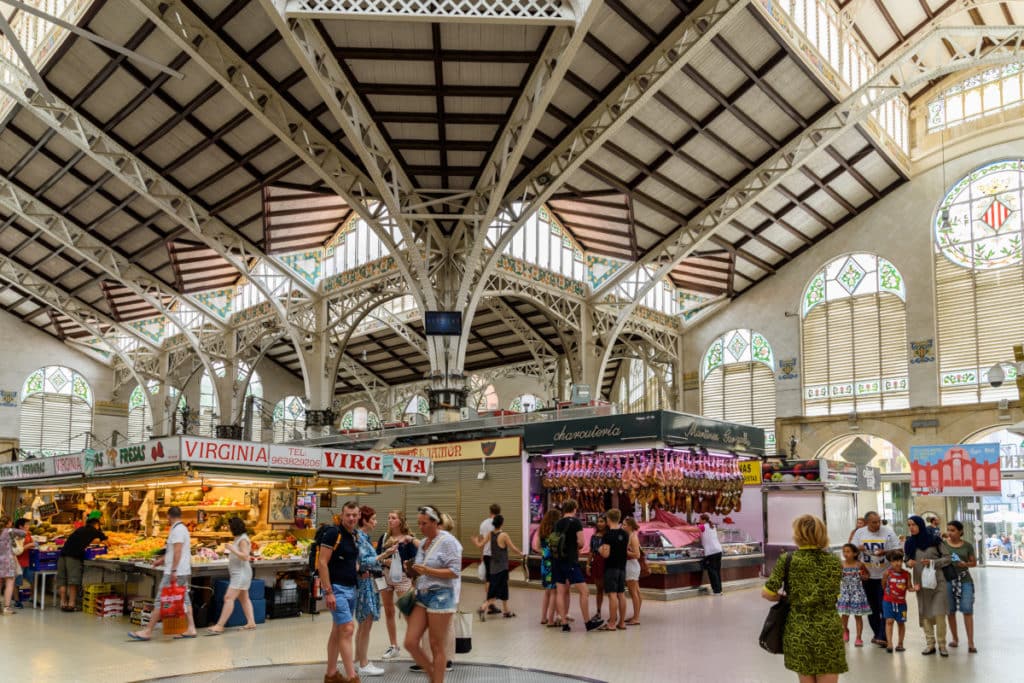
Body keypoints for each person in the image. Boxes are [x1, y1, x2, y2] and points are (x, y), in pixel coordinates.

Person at [762, 515, 846, 683]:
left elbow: (767, 592)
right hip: (828, 627)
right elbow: (836, 593)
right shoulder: (834, 561)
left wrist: (783, 597)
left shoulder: (788, 559)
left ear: (798, 534)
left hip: (798, 628)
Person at [403, 505, 462, 683]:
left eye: (425, 523)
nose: (421, 527)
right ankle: (432, 673)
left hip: (441, 595)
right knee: (410, 642)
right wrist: (412, 570)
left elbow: (454, 571)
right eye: (419, 524)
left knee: (436, 645)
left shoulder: (448, 541)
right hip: (422, 594)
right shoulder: (422, 543)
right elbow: (421, 569)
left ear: (435, 523)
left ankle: (437, 679)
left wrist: (428, 570)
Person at [128, 506, 196, 640]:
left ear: (169, 516)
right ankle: (191, 628)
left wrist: (174, 570)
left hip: (176, 571)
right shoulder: (181, 529)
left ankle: (147, 631)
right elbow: (173, 551)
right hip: (180, 570)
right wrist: (161, 560)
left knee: (161, 599)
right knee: (184, 599)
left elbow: (177, 551)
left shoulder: (177, 530)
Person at [313, 502, 361, 683]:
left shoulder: (353, 535)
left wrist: (358, 569)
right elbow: (322, 563)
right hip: (336, 589)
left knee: (337, 631)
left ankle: (331, 674)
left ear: (358, 516)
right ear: (342, 515)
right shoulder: (334, 533)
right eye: (348, 515)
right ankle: (352, 677)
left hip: (351, 588)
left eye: (354, 515)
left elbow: (349, 561)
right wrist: (329, 591)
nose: (351, 518)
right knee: (348, 629)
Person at [551, 499, 602, 632]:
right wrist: (574, 546)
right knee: (584, 591)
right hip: (570, 560)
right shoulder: (576, 522)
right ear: (574, 509)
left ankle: (564, 623)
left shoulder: (557, 523)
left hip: (557, 560)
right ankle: (587, 622)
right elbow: (581, 542)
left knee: (560, 592)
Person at [850, 511, 900, 646]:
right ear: (867, 523)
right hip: (867, 576)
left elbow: (899, 551)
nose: (877, 524)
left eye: (879, 521)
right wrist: (857, 550)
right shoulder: (860, 533)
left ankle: (883, 636)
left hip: (884, 575)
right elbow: (850, 552)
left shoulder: (888, 532)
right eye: (874, 522)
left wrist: (886, 552)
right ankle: (877, 633)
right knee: (872, 608)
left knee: (884, 607)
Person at [905, 515, 951, 656]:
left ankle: (942, 644)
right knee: (925, 612)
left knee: (939, 612)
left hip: (938, 581)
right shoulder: (909, 543)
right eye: (909, 525)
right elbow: (906, 559)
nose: (911, 528)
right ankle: (930, 644)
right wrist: (908, 563)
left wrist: (932, 562)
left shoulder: (935, 540)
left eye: (914, 524)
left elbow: (948, 558)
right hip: (921, 582)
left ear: (920, 525)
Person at [377, 510, 417, 661]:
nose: (390, 520)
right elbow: (377, 555)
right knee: (388, 611)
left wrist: (397, 563)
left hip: (402, 577)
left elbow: (413, 560)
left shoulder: (408, 539)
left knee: (407, 610)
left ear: (400, 521)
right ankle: (394, 645)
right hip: (385, 575)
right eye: (388, 517)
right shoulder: (384, 537)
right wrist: (384, 561)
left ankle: (414, 644)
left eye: (393, 518)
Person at [207, 517, 254, 634]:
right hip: (238, 573)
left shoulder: (243, 539)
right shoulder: (238, 538)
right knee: (244, 598)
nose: (228, 528)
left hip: (241, 574)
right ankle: (251, 622)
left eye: (229, 526)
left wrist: (232, 549)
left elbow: (245, 556)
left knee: (228, 598)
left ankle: (219, 625)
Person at [355, 506, 385, 678]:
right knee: (365, 624)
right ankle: (363, 663)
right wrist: (382, 556)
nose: (375, 522)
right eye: (373, 519)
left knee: (363, 625)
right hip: (365, 583)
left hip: (368, 582)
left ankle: (360, 659)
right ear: (365, 520)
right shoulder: (360, 538)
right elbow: (364, 561)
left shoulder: (363, 537)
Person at [475, 514, 523, 620]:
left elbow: (480, 545)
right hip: (502, 567)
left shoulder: (490, 534)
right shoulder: (504, 535)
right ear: (502, 523)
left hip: (493, 567)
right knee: (496, 591)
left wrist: (476, 541)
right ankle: (483, 608)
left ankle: (506, 611)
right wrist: (521, 553)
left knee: (502, 589)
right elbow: (512, 548)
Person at [58, 510, 107, 612]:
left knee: (62, 580)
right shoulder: (95, 531)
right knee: (73, 581)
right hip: (73, 557)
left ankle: (63, 603)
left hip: (62, 555)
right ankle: (71, 604)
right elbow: (107, 541)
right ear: (97, 524)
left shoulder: (81, 529)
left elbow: (84, 540)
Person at [943, 520, 977, 653]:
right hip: (948, 579)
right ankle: (955, 638)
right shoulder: (943, 545)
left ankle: (970, 642)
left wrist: (965, 564)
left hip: (965, 579)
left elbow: (973, 563)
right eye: (948, 530)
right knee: (950, 610)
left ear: (960, 531)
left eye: (953, 530)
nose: (950, 533)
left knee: (967, 609)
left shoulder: (967, 546)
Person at [596, 508, 629, 631]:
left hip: (611, 568)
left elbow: (606, 554)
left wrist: (599, 549)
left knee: (613, 595)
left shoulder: (607, 535)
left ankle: (611, 623)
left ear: (608, 519)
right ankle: (622, 622)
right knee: (621, 594)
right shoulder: (625, 534)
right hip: (622, 567)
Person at [836, 543, 871, 646]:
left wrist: (865, 577)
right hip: (845, 592)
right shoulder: (841, 564)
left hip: (857, 592)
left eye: (848, 551)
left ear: (855, 553)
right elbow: (836, 576)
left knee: (858, 615)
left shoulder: (859, 564)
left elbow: (867, 575)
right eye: (844, 551)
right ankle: (845, 630)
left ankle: (859, 638)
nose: (845, 554)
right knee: (844, 614)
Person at [881, 549, 915, 653]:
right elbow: (883, 585)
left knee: (901, 622)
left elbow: (909, 588)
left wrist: (915, 588)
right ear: (890, 562)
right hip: (888, 602)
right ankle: (890, 643)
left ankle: (900, 643)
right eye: (895, 561)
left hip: (901, 604)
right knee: (889, 621)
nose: (898, 563)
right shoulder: (887, 573)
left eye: (900, 560)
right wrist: (889, 594)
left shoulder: (907, 574)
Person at [532, 508, 561, 627]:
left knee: (547, 592)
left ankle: (543, 618)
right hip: (554, 563)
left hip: (545, 563)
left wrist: (544, 552)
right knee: (554, 592)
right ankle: (550, 620)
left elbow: (536, 547)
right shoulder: (557, 531)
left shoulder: (541, 530)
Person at [0, 514, 27, 615]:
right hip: (8, 560)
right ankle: (6, 608)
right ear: (9, 523)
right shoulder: (9, 531)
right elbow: (24, 533)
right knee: (10, 583)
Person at [478, 503, 500, 614]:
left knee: (488, 579)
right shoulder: (497, 524)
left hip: (486, 554)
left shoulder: (483, 524)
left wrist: (481, 555)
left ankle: (490, 602)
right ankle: (490, 603)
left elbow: (482, 541)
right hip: (495, 555)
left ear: (490, 511)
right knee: (494, 580)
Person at [622, 517, 643, 625]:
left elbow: (637, 555)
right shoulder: (630, 536)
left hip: (631, 566)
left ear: (630, 526)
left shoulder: (633, 537)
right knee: (637, 592)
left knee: (633, 592)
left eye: (624, 524)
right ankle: (635, 615)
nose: (622, 526)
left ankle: (636, 618)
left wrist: (625, 551)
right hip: (631, 566)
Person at [588, 514, 607, 620]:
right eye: (598, 521)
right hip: (596, 562)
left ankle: (614, 613)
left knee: (610, 590)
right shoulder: (594, 537)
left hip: (607, 563)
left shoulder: (609, 536)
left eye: (602, 521)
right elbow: (591, 551)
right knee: (599, 588)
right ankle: (598, 611)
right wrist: (588, 564)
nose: (599, 524)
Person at [13, 518, 34, 609]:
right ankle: (17, 601)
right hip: (18, 562)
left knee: (33, 580)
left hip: (28, 561)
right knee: (17, 583)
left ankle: (32, 598)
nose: (28, 526)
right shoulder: (16, 536)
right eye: (26, 524)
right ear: (20, 526)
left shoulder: (28, 534)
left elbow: (31, 543)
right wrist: (29, 545)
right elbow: (17, 550)